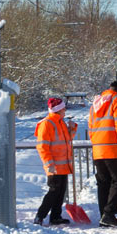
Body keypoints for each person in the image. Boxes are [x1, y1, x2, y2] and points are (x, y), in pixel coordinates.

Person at [90, 80, 117, 227]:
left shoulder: (96, 103)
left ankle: (104, 216)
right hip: (114, 149)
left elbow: (90, 126)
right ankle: (109, 214)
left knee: (103, 183)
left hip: (98, 149)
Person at [34, 96, 77, 225]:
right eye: (63, 108)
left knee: (60, 192)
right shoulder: (47, 123)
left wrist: (72, 129)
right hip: (54, 165)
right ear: (58, 109)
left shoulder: (60, 122)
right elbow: (42, 146)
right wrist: (49, 164)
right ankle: (40, 216)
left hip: (62, 165)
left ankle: (55, 216)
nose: (65, 110)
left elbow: (66, 140)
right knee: (53, 191)